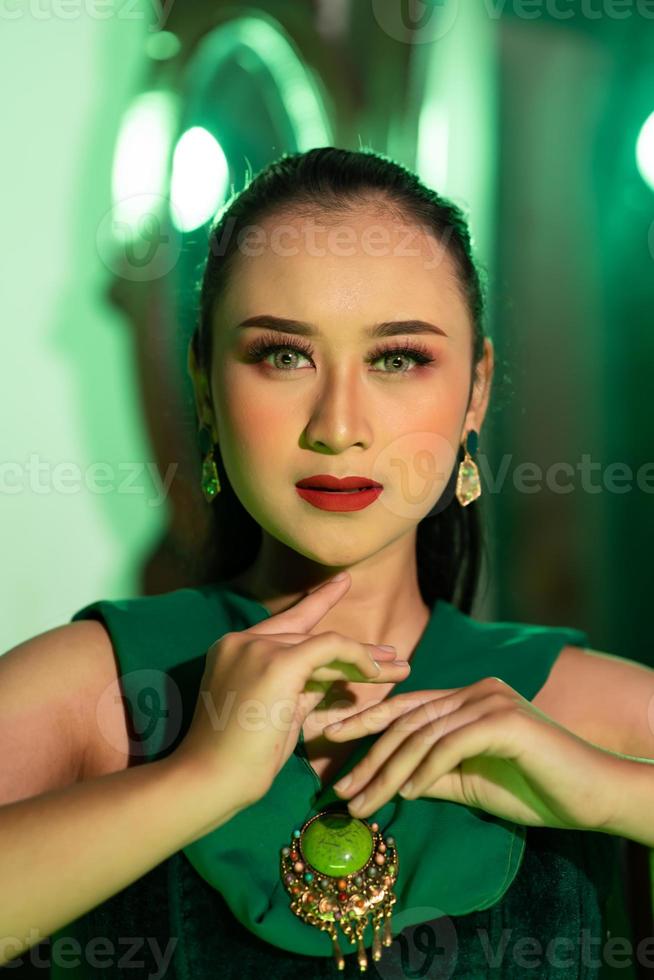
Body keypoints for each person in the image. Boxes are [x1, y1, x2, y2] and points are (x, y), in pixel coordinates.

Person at [0, 147, 642, 979]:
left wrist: (613, 793)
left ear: (476, 389)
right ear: (204, 382)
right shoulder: (92, 690)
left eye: (398, 358)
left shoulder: (588, 708)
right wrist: (196, 781)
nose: (339, 426)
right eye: (284, 355)